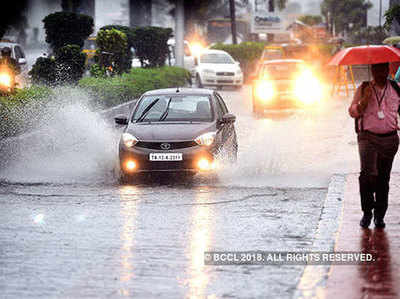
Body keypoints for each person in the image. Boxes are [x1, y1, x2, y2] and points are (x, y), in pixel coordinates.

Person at [348, 63, 400, 228]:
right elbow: (352, 112)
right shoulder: (363, 88)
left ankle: (379, 215)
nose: (380, 74)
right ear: (372, 71)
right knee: (368, 175)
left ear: (388, 71)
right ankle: (367, 212)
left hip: (390, 139)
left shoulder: (396, 88)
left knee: (383, 179)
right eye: (376, 70)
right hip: (367, 139)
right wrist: (364, 100)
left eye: (383, 70)